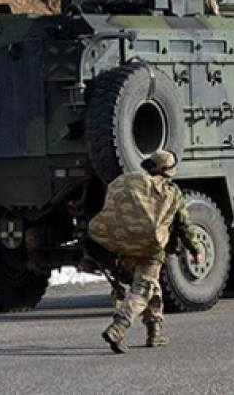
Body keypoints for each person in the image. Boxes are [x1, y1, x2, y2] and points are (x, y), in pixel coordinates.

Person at [87, 150, 203, 354]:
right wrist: (195, 249)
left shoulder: (129, 183)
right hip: (151, 248)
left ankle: (154, 333)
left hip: (124, 246)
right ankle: (119, 327)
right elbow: (184, 225)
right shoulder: (171, 191)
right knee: (143, 288)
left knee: (152, 285)